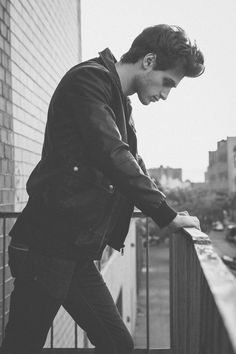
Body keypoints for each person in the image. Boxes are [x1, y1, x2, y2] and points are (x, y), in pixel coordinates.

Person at [0, 24, 204, 354]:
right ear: (148, 61)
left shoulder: (120, 104)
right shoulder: (89, 81)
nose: (165, 95)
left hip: (74, 252)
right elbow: (112, 154)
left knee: (118, 344)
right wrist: (165, 214)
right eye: (168, 83)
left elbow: (133, 164)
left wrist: (169, 209)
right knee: (23, 345)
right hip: (45, 248)